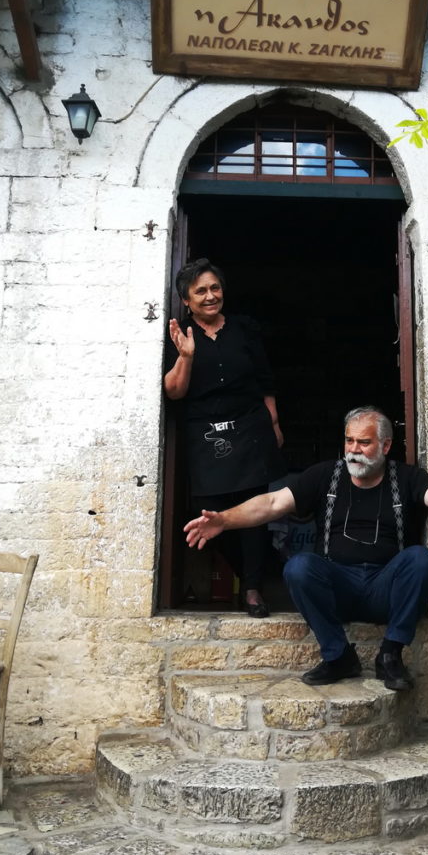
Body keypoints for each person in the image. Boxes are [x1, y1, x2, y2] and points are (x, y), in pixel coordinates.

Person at [184, 405, 428, 690]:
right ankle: (338, 657)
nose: (354, 449)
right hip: (337, 588)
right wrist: (224, 519)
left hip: (385, 589)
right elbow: (272, 503)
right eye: (349, 440)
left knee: (421, 559)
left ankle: (390, 654)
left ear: (386, 446)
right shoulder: (325, 475)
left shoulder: (406, 477)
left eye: (364, 442)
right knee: (299, 567)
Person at [164, 258, 285, 617]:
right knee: (206, 511)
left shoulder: (244, 330)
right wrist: (185, 357)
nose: (210, 296)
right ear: (186, 300)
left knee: (253, 512)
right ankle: (253, 569)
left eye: (215, 288)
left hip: (250, 428)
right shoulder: (179, 335)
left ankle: (252, 588)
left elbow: (264, 379)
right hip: (205, 433)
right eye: (200, 291)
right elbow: (173, 392)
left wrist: (274, 423)